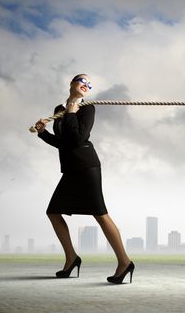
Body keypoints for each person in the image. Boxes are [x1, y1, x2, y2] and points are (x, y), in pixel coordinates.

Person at [34, 74, 134, 284]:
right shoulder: (58, 110)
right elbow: (64, 143)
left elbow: (78, 138)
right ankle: (71, 258)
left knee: (100, 214)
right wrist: (43, 133)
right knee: (53, 212)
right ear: (71, 83)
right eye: (82, 80)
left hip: (87, 166)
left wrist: (71, 112)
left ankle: (124, 262)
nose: (86, 85)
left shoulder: (88, 108)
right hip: (71, 169)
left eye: (89, 84)